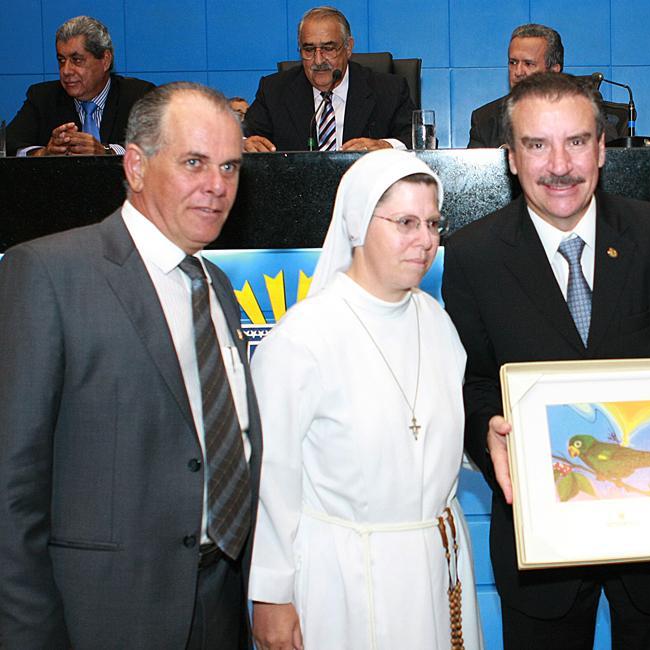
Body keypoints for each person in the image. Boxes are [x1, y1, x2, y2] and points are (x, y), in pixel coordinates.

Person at [443, 72, 650, 649]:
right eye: (537, 145)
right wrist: (488, 433)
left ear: (603, 148)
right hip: (539, 541)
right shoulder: (474, 255)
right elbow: (473, 380)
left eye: (577, 141)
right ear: (510, 157)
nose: (560, 164)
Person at [0, 82, 262, 648]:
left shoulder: (215, 285)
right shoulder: (48, 275)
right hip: (104, 617)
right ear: (136, 166)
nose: (217, 186)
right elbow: (10, 488)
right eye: (194, 162)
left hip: (219, 608)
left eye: (231, 167)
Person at [248, 149, 482, 649]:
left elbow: (437, 435)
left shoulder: (437, 322)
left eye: (433, 223)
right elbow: (270, 476)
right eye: (405, 222)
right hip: (344, 578)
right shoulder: (304, 338)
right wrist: (270, 594)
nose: (425, 242)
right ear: (358, 224)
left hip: (436, 562)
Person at [243, 6, 414, 153]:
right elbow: (243, 135)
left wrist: (385, 146)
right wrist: (245, 143)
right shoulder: (274, 90)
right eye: (308, 49)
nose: (318, 60)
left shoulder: (389, 90)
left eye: (328, 48)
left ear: (348, 48)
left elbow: (416, 139)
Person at [6, 15, 154, 156]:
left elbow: (156, 147)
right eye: (61, 60)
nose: (66, 71)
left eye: (77, 60)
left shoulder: (139, 96)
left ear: (105, 60)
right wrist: (44, 154)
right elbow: (8, 146)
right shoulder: (42, 98)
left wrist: (106, 152)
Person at [467, 24, 627, 148]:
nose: (518, 71)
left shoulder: (582, 106)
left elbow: (610, 151)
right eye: (513, 62)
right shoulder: (484, 119)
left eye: (529, 64)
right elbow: (472, 182)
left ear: (553, 71)